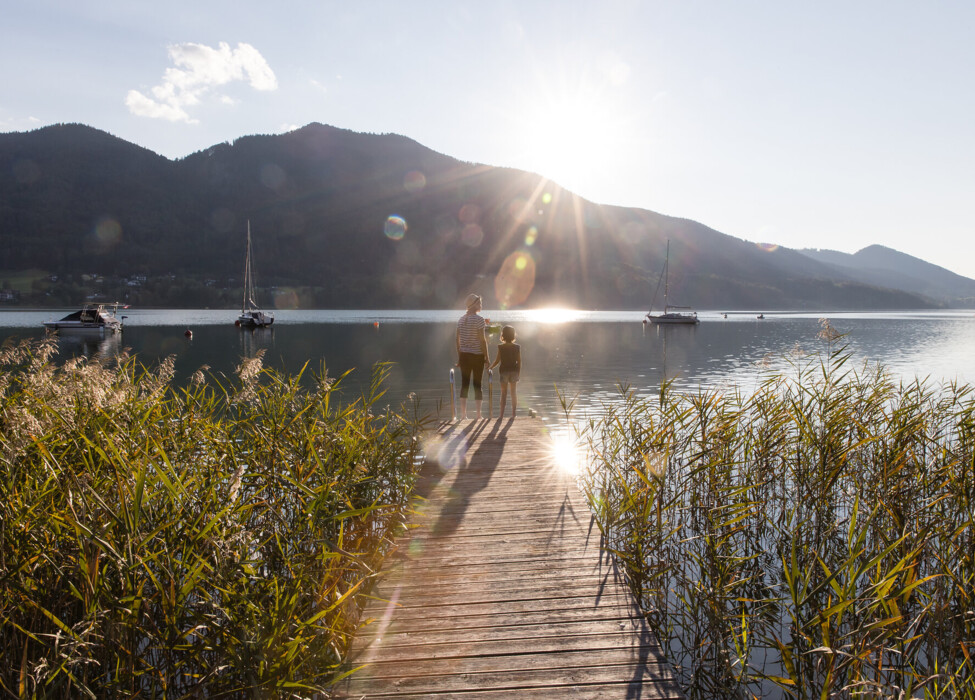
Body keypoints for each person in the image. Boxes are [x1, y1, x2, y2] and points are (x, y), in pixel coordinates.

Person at [455, 293, 488, 419]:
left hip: (464, 355)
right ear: (473, 305)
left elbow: (456, 340)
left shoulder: (461, 319)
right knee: (477, 385)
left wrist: (459, 356)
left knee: (464, 384)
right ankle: (479, 415)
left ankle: (463, 415)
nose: (481, 305)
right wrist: (487, 358)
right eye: (479, 303)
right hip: (477, 356)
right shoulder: (479, 320)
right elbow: (482, 340)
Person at [488, 324, 521, 418]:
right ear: (513, 335)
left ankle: (501, 415)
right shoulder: (517, 347)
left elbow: (497, 360)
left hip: (504, 372)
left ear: (503, 335)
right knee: (513, 393)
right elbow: (519, 362)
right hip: (514, 371)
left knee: (503, 394)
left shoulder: (501, 347)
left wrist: (490, 367)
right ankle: (514, 414)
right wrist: (518, 373)